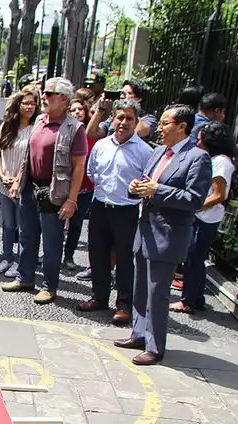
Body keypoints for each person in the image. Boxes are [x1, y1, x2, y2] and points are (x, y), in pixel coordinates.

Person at [116, 104, 211, 365]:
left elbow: (194, 199)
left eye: (165, 123)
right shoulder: (158, 152)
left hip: (167, 236)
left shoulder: (197, 158)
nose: (159, 127)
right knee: (140, 289)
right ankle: (138, 333)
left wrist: (157, 189)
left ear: (182, 127)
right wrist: (137, 188)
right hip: (145, 230)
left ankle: (155, 347)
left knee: (158, 294)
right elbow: (148, 183)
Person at [2, 77, 87, 305]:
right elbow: (28, 156)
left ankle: (49, 287)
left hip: (55, 190)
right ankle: (25, 277)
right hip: (31, 186)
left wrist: (72, 200)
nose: (44, 98)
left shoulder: (74, 128)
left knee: (52, 242)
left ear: (63, 99)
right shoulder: (40, 120)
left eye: (48, 94)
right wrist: (19, 180)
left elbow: (79, 167)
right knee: (27, 236)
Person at [77, 99, 154, 325]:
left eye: (129, 118)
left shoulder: (145, 152)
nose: (123, 122)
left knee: (124, 259)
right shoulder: (101, 145)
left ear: (136, 122)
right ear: (112, 119)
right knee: (97, 255)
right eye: (120, 117)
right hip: (100, 207)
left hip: (126, 211)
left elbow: (148, 182)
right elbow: (91, 172)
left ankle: (124, 305)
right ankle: (99, 297)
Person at [172, 120, 236, 313]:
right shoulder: (212, 159)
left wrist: (195, 208)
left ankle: (189, 301)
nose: (198, 143)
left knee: (194, 258)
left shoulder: (221, 163)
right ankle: (194, 298)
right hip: (201, 217)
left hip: (206, 219)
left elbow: (218, 195)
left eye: (200, 140)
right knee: (192, 257)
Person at [0, 90, 39, 277]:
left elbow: (30, 158)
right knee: (8, 224)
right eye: (25, 103)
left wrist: (18, 179)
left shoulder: (36, 129)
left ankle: (20, 263)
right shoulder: (7, 126)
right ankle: (7, 257)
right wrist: (2, 175)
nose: (29, 107)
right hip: (5, 184)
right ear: (18, 105)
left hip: (23, 186)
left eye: (32, 104)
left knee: (24, 227)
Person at [63, 97, 99, 272]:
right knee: (57, 222)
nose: (77, 112)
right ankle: (49, 254)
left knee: (76, 224)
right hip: (64, 186)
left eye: (80, 110)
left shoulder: (91, 133)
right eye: (73, 110)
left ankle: (69, 256)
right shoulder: (65, 130)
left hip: (85, 187)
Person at [87, 80, 157, 141]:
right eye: (121, 93)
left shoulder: (148, 119)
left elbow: (138, 131)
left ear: (139, 99)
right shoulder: (114, 118)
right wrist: (100, 110)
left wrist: (131, 110)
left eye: (128, 93)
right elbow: (91, 134)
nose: (122, 96)